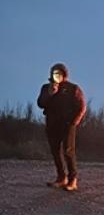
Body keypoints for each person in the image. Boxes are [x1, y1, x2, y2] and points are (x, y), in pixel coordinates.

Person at [36, 63, 86, 192]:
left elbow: (82, 106)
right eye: (54, 73)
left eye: (59, 73)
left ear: (64, 74)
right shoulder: (46, 88)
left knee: (68, 151)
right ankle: (61, 177)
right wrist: (50, 94)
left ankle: (72, 180)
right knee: (55, 151)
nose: (56, 75)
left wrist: (75, 121)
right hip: (52, 124)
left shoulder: (73, 88)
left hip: (68, 124)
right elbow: (40, 103)